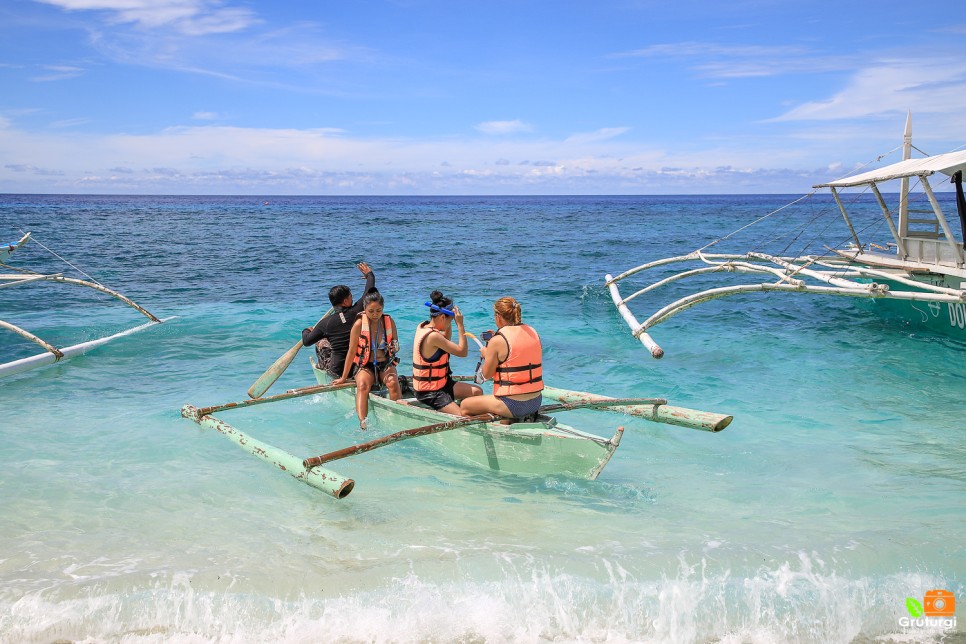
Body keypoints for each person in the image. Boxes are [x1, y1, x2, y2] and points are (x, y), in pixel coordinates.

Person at [459, 296, 543, 420]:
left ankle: (488, 435)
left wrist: (487, 354)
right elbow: (516, 351)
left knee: (465, 405)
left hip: (513, 405)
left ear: (498, 316)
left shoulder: (497, 341)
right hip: (536, 401)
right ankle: (506, 423)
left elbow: (486, 375)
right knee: (496, 404)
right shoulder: (532, 332)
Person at [333, 289, 401, 429]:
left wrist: (395, 347)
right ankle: (363, 422)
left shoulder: (389, 321)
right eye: (371, 311)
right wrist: (344, 377)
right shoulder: (359, 325)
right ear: (364, 309)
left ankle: (397, 416)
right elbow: (351, 352)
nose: (375, 314)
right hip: (365, 366)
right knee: (363, 386)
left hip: (385, 363)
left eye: (378, 310)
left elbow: (395, 342)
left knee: (393, 382)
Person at [411, 290, 483, 414]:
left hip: (443, 385)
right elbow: (462, 352)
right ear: (443, 317)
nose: (452, 323)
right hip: (430, 393)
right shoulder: (433, 336)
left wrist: (448, 323)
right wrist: (460, 325)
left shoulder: (423, 326)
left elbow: (445, 338)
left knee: (477, 392)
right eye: (450, 320)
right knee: (462, 415)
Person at [301, 262, 375, 377]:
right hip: (358, 366)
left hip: (338, 371)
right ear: (345, 301)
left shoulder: (325, 323)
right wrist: (370, 275)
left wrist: (306, 330)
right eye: (351, 296)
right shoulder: (357, 311)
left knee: (321, 342)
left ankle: (322, 365)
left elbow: (306, 342)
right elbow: (369, 291)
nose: (353, 297)